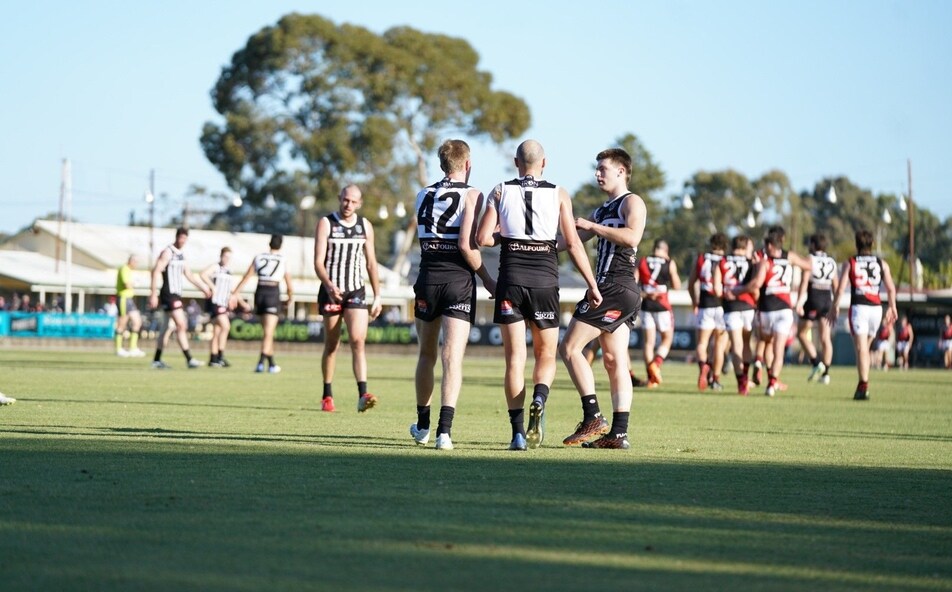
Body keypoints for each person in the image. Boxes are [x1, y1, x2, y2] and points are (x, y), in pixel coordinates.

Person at [476, 139, 601, 451]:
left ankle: (518, 434)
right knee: (546, 355)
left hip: (511, 280)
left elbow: (481, 238)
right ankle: (540, 398)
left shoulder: (500, 190)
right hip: (545, 280)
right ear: (544, 163)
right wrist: (592, 283)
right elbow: (572, 244)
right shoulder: (558, 192)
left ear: (516, 164)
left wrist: (506, 235)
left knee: (514, 359)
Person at [409, 139, 496, 450]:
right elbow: (465, 244)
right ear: (468, 164)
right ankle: (444, 432)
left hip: (427, 277)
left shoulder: (422, 194)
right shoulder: (472, 194)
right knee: (452, 357)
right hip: (458, 279)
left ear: (441, 164)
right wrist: (487, 278)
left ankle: (422, 425)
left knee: (426, 355)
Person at [559, 148, 645, 449]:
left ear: (621, 171)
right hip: (619, 291)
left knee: (569, 348)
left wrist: (594, 227)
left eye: (603, 169)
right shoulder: (603, 209)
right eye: (597, 169)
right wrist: (526, 240)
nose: (598, 174)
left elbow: (633, 237)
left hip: (615, 286)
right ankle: (618, 433)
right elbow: (568, 241)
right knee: (613, 360)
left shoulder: (631, 202)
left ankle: (593, 416)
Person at [314, 185, 383, 412]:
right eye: (345, 200)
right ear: (339, 199)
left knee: (357, 340)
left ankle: (363, 394)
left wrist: (378, 295)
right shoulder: (326, 223)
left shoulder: (365, 226)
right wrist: (329, 285)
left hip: (355, 291)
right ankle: (327, 394)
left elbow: (371, 263)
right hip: (331, 290)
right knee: (332, 345)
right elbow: (318, 262)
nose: (348, 205)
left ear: (359, 204)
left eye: (353, 202)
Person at [830, 229, 897, 400]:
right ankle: (862, 384)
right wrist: (892, 307)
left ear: (856, 244)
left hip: (860, 307)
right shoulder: (882, 263)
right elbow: (890, 287)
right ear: (872, 244)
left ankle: (863, 386)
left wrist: (835, 306)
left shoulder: (850, 262)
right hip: (876, 309)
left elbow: (840, 287)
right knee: (864, 350)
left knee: (861, 350)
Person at [751, 226, 812, 396]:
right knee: (778, 349)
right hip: (784, 308)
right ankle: (772, 383)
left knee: (765, 342)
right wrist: (801, 295)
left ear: (769, 244)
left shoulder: (762, 259)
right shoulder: (790, 256)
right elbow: (808, 265)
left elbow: (756, 283)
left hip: (766, 307)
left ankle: (759, 362)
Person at [148, 227, 211, 369]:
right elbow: (156, 271)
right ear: (176, 237)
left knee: (167, 328)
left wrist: (203, 287)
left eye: (184, 239)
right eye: (180, 238)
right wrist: (153, 293)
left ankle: (156, 360)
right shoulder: (168, 252)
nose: (182, 241)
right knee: (181, 325)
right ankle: (189, 359)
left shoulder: (181, 255)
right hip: (168, 293)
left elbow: (189, 274)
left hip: (176, 294)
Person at [234, 235, 294, 374]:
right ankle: (260, 363)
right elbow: (289, 283)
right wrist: (290, 297)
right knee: (268, 333)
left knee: (268, 332)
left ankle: (272, 364)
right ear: (281, 245)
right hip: (273, 292)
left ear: (269, 243)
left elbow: (247, 276)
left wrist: (236, 292)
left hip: (260, 292)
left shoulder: (258, 257)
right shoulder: (283, 259)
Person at [714, 235, 758, 395]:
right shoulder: (751, 262)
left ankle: (742, 383)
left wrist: (725, 297)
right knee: (747, 344)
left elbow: (717, 289)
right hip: (748, 306)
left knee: (736, 345)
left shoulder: (722, 261)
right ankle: (746, 375)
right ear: (745, 246)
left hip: (731, 307)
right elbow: (756, 287)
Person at [795, 234, 838, 384]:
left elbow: (804, 281)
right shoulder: (831, 262)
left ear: (813, 245)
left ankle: (815, 362)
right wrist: (835, 305)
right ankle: (826, 373)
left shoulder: (810, 259)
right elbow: (836, 286)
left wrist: (799, 302)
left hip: (813, 297)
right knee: (825, 338)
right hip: (827, 299)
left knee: (800, 333)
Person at [639, 239, 681, 388]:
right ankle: (656, 364)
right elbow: (677, 286)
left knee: (648, 343)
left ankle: (651, 379)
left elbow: (633, 284)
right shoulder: (668, 263)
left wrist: (646, 293)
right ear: (665, 250)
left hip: (646, 305)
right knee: (667, 339)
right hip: (663, 305)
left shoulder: (643, 261)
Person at [688, 233, 728, 391]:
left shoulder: (701, 258)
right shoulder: (727, 260)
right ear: (725, 247)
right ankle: (715, 379)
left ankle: (703, 366)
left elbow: (691, 284)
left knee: (702, 343)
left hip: (705, 304)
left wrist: (694, 301)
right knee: (720, 345)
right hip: (723, 306)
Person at [201, 247, 238, 368]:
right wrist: (212, 286)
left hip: (224, 303)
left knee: (217, 330)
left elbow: (231, 289)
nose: (227, 259)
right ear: (221, 256)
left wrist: (239, 301)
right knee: (226, 326)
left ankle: (213, 358)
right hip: (215, 302)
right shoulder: (216, 267)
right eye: (225, 256)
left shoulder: (229, 270)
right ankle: (220, 356)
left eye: (229, 257)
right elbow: (203, 274)